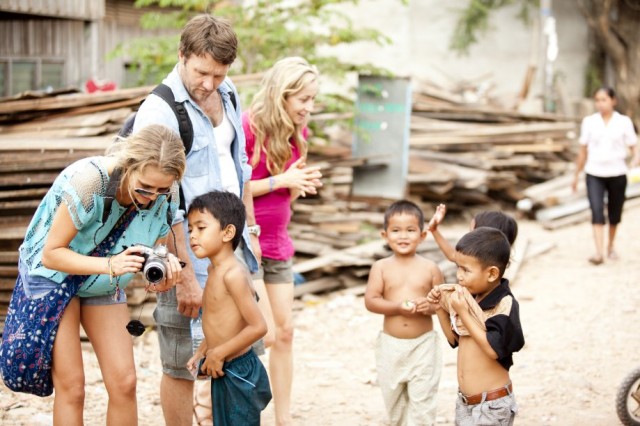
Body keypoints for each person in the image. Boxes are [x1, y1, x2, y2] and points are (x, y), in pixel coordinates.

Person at [131, 14, 262, 426]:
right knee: (179, 359)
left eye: (219, 74)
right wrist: (184, 273)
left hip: (230, 251)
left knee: (238, 350)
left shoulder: (228, 93)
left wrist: (251, 232)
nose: (209, 83)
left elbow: (240, 166)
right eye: (202, 72)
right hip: (185, 254)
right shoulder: (159, 110)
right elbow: (160, 202)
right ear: (182, 55)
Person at [10, 124, 186, 425]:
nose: (150, 197)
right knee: (73, 387)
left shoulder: (165, 193)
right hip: (53, 275)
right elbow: (50, 253)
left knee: (124, 382)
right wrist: (109, 265)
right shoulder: (90, 182)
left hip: (105, 276)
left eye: (161, 190)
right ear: (128, 165)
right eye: (144, 187)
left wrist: (165, 266)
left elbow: (154, 243)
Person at [242, 56, 323, 425]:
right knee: (266, 333)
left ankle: (284, 418)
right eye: (303, 99)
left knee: (286, 332)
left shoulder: (297, 132)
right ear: (281, 95)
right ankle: (214, 402)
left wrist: (298, 184)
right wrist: (284, 181)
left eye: (312, 99)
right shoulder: (248, 127)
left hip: (279, 243)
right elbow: (234, 188)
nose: (309, 107)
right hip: (249, 242)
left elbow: (286, 195)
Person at [186, 191, 272, 425]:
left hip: (238, 370)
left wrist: (218, 353)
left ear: (228, 232)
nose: (193, 235)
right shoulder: (214, 271)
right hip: (222, 364)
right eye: (190, 229)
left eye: (201, 228)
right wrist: (203, 350)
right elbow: (220, 321)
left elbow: (258, 326)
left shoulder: (233, 274)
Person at [426, 227, 525, 426]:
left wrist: (463, 312)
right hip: (465, 402)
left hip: (491, 404)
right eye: (458, 268)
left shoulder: (504, 304)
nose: (459, 276)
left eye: (466, 270)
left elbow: (492, 350)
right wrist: (439, 309)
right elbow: (456, 340)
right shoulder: (472, 298)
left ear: (491, 274)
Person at [364, 200, 444, 425]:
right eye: (396, 230)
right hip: (391, 345)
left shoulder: (431, 268)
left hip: (424, 345)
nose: (403, 236)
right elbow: (371, 301)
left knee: (423, 401)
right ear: (385, 235)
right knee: (394, 401)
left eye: (410, 230)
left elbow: (443, 304)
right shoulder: (381, 267)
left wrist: (428, 306)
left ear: (422, 235)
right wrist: (397, 307)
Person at [571, 87, 639, 265]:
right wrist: (576, 176)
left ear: (613, 100)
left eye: (604, 100)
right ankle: (599, 252)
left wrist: (635, 160)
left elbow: (634, 145)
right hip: (594, 173)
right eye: (597, 100)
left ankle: (610, 245)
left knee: (614, 213)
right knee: (596, 211)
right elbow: (583, 151)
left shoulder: (624, 122)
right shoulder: (589, 122)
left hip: (617, 173)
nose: (600, 104)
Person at [428, 204, 518, 262]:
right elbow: (453, 255)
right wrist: (434, 229)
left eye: (471, 233)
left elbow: (453, 256)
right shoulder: (476, 258)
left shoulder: (483, 263)